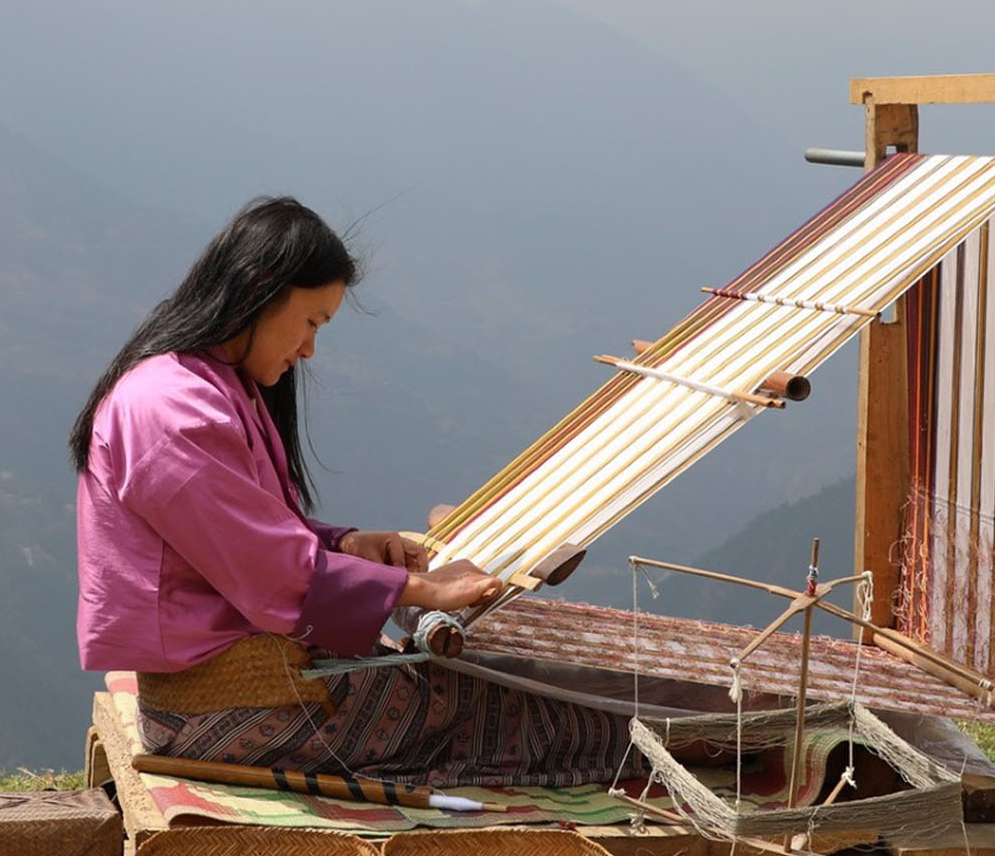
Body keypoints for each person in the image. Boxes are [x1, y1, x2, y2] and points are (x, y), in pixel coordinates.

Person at [71, 196, 636, 788]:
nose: (310, 348)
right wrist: (419, 588)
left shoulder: (202, 388)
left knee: (508, 701)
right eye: (312, 321)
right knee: (554, 723)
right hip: (227, 711)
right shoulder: (172, 411)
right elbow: (269, 573)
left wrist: (349, 545)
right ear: (259, 290)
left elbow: (243, 534)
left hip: (258, 690)